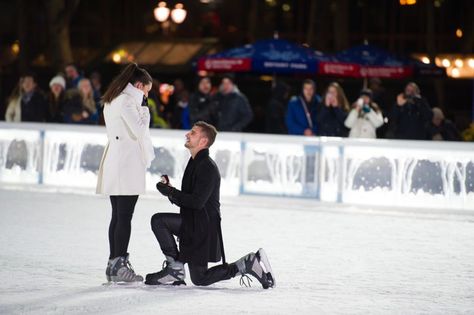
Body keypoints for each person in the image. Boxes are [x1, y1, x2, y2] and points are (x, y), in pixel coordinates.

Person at [147, 121, 275, 289]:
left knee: (159, 222)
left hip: (202, 227)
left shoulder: (206, 166)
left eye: (193, 133)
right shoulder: (195, 162)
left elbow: (196, 202)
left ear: (203, 141)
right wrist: (169, 190)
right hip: (195, 223)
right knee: (199, 278)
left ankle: (177, 269)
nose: (187, 134)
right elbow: (191, 199)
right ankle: (177, 268)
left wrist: (171, 193)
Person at [96, 63, 155, 283]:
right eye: (146, 91)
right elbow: (139, 130)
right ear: (139, 85)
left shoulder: (114, 99)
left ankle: (114, 263)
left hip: (118, 161)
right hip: (126, 163)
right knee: (124, 216)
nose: (146, 96)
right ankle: (118, 264)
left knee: (118, 216)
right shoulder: (128, 101)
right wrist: (146, 110)